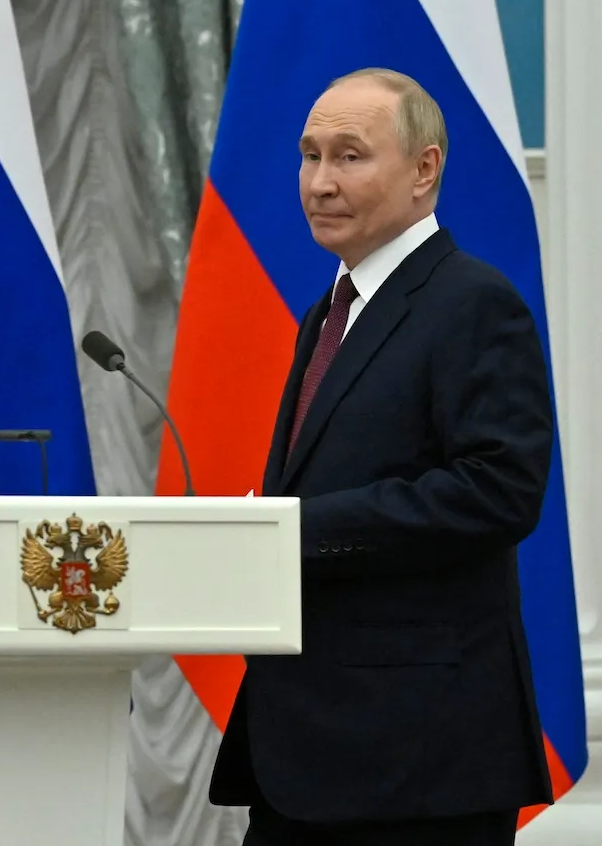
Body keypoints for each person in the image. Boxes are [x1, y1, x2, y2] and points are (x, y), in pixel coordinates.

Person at [209, 68, 555, 845]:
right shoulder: (328, 315)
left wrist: (293, 530)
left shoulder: (471, 301)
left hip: (417, 764)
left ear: (424, 169)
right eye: (309, 156)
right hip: (307, 753)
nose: (320, 183)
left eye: (350, 157)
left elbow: (498, 489)